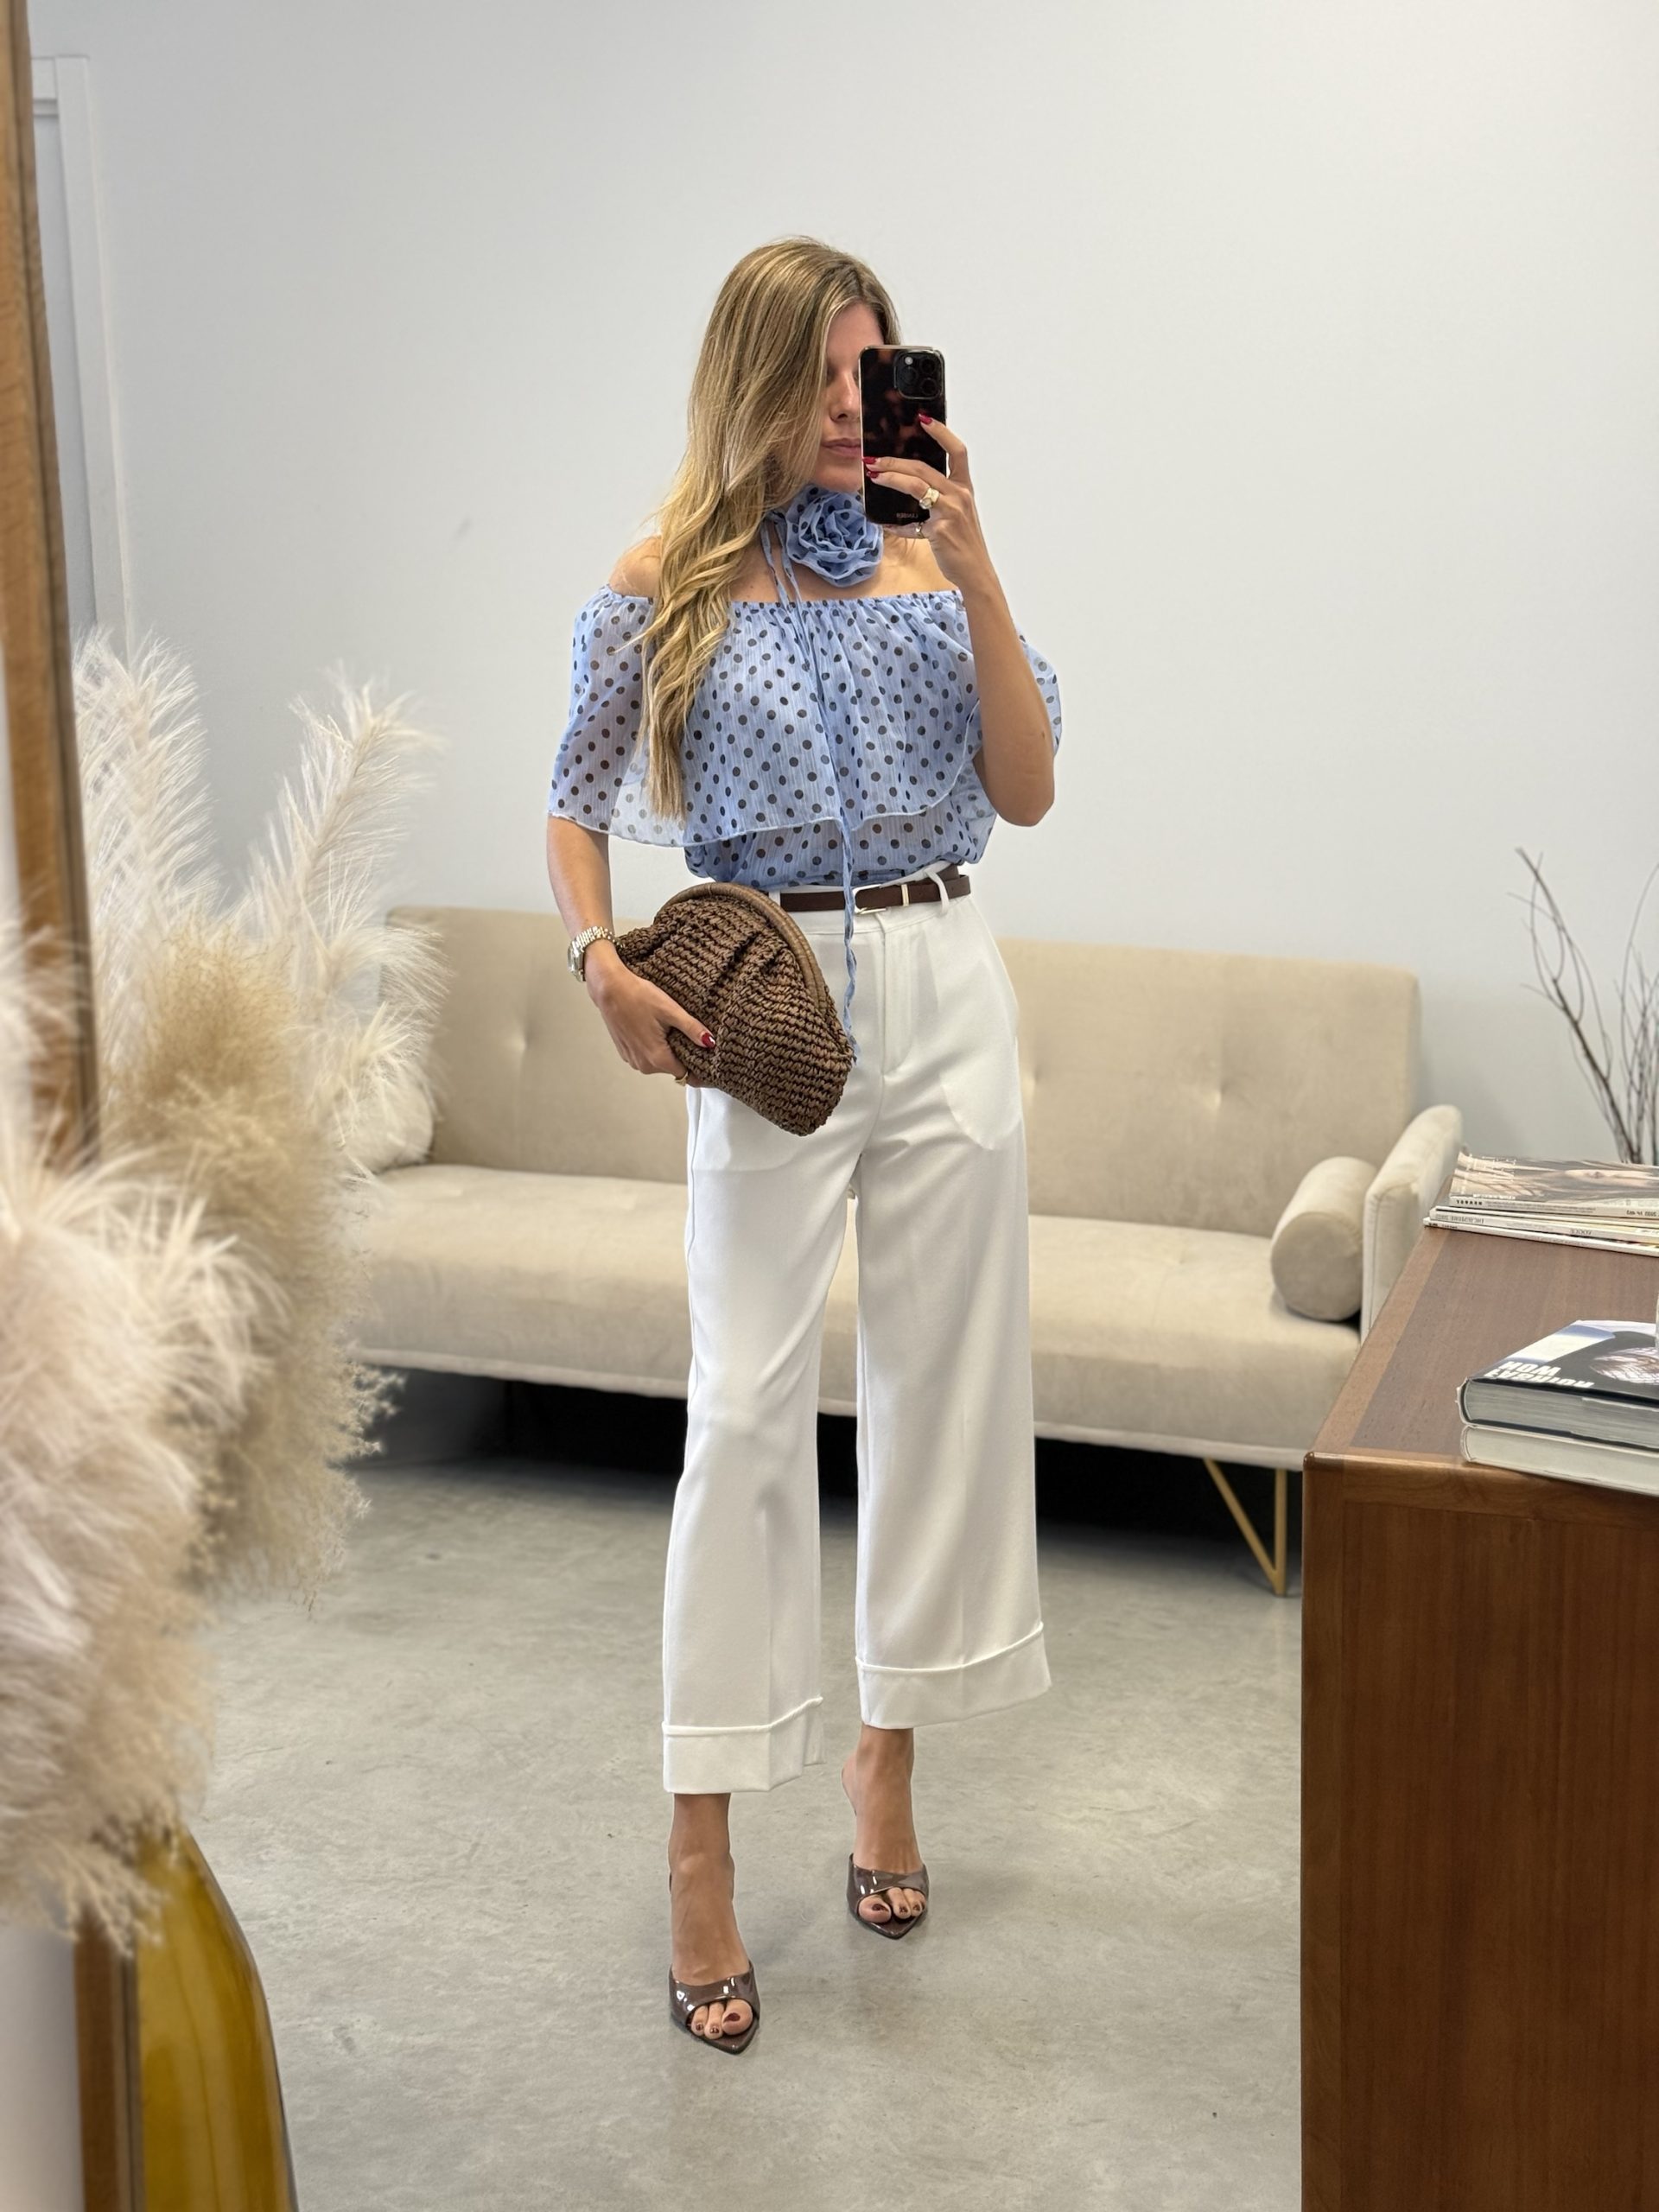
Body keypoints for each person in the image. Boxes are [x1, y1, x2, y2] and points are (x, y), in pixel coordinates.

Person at [543, 236, 1062, 2055]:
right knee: (745, 1413)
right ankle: (699, 1840)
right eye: (826, 376)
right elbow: (572, 800)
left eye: (877, 371)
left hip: (945, 977)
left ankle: (883, 1760)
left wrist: (979, 566)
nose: (856, 407)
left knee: (940, 1395)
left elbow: (1028, 788)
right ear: (756, 382)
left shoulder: (933, 558)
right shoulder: (662, 579)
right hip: (762, 1004)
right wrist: (598, 965)